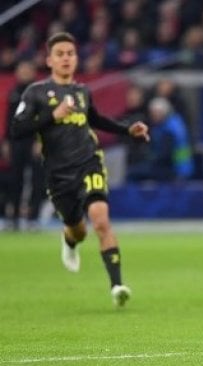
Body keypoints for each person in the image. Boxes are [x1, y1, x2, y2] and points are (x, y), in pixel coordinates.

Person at [10, 32, 150, 307]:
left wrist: (127, 129)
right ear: (49, 60)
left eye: (70, 54)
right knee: (79, 230)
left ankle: (117, 285)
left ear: (76, 59)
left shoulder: (82, 92)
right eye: (60, 54)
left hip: (89, 161)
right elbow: (16, 129)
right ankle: (70, 239)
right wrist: (52, 116)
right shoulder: (35, 92)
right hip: (58, 173)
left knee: (100, 218)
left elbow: (96, 119)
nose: (66, 58)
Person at [4, 60, 46, 231]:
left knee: (36, 180)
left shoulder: (39, 93)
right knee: (15, 179)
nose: (24, 72)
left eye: (27, 69)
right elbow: (9, 120)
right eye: (21, 69)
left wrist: (40, 141)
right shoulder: (14, 93)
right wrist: (6, 140)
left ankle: (32, 218)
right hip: (17, 141)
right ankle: (13, 218)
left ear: (33, 71)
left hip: (33, 141)